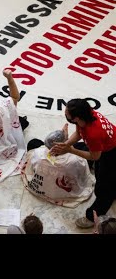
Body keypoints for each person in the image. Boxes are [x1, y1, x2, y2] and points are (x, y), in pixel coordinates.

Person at [50, 98, 116, 229]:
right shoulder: (88, 115)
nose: (65, 114)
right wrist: (66, 144)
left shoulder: (94, 134)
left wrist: (71, 150)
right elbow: (79, 133)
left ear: (77, 118)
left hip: (111, 153)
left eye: (67, 114)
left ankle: (93, 217)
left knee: (104, 188)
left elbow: (95, 156)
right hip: (105, 144)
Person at [22, 124, 94, 207]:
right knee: (85, 148)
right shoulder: (75, 160)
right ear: (62, 147)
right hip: (66, 166)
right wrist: (70, 146)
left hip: (47, 162)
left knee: (34, 142)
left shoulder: (38, 153)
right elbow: (83, 172)